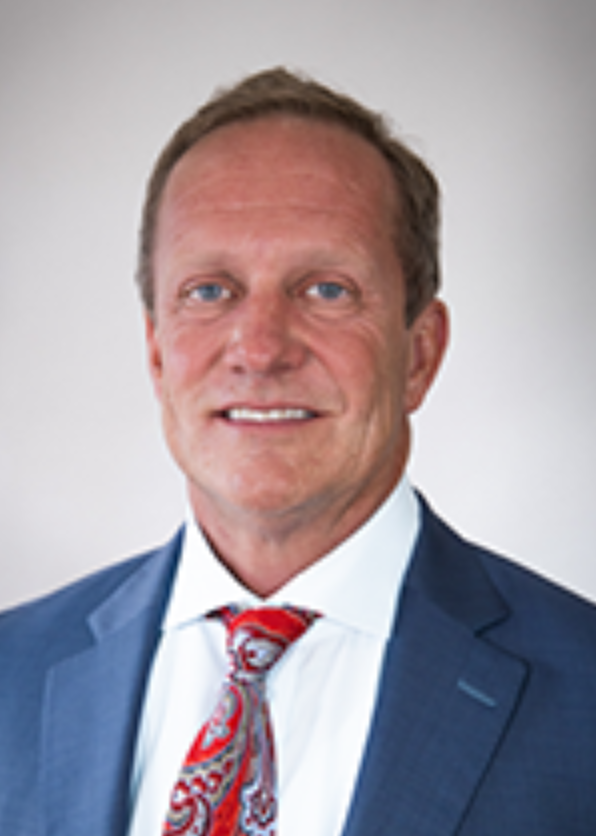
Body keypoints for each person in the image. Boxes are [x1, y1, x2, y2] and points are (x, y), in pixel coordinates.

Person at [1, 67, 596, 836]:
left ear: (419, 354)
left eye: (326, 290)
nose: (259, 349)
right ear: (156, 353)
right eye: (209, 291)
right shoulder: (13, 673)